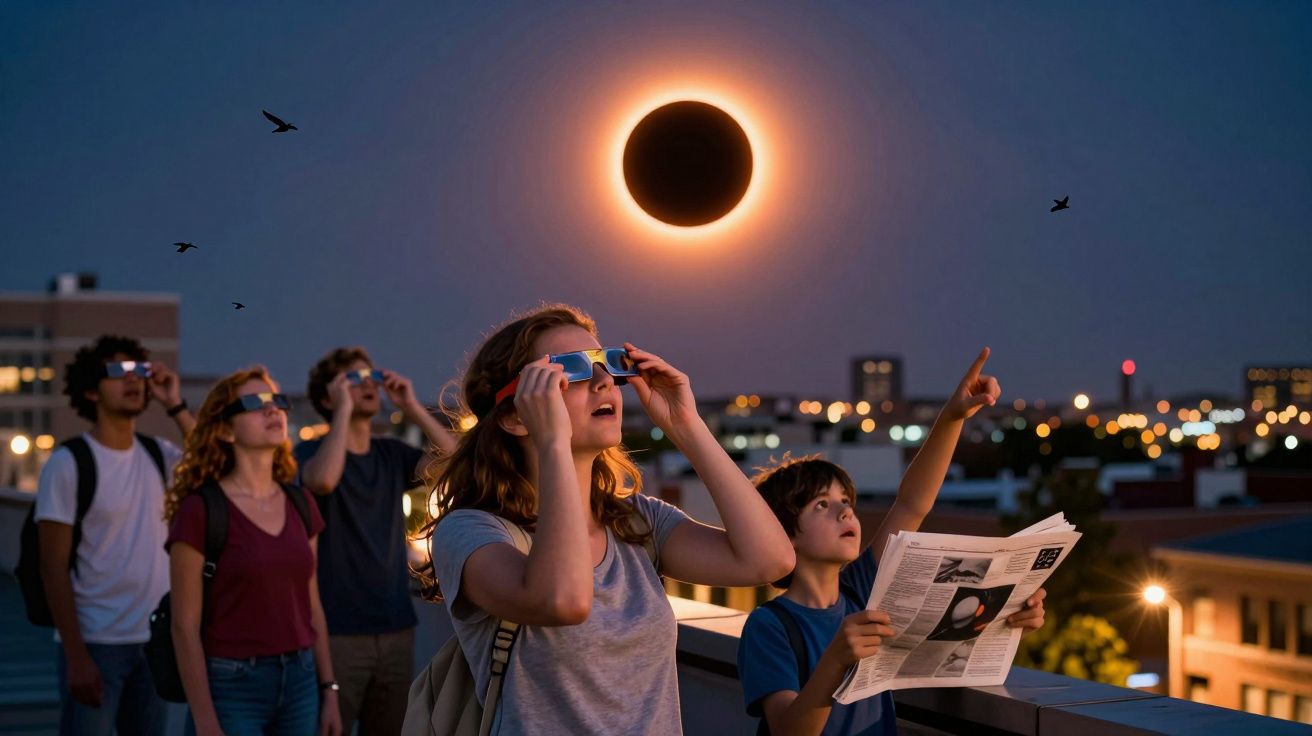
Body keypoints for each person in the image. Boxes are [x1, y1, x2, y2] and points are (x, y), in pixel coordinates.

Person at [417, 304, 795, 735]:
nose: (604, 382)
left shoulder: (636, 522)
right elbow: (563, 601)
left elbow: (771, 562)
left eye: (607, 364)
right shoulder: (472, 532)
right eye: (571, 371)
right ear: (514, 415)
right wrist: (553, 443)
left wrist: (686, 425)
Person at [737, 349, 1048, 736]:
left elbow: (912, 504)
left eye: (846, 502)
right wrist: (835, 661)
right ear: (785, 534)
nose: (845, 513)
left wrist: (1013, 614)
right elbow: (789, 730)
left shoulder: (864, 590)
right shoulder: (769, 626)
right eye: (822, 505)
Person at [164, 367, 342, 736]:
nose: (272, 410)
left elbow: (313, 608)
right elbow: (183, 627)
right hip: (231, 684)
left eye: (277, 401)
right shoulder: (201, 510)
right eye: (254, 403)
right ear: (226, 430)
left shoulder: (301, 503)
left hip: (301, 681)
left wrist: (330, 691)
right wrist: (204, 719)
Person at [34, 335, 194, 736]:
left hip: (155, 640)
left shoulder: (160, 454)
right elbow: (51, 566)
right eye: (117, 372)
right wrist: (76, 656)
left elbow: (218, 465)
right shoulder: (69, 463)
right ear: (90, 390)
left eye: (139, 371)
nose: (134, 380)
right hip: (97, 644)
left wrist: (173, 403)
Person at [295, 348, 456, 736]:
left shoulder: (391, 454)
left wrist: (413, 406)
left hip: (396, 627)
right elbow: (323, 482)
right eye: (352, 379)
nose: (367, 385)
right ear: (325, 397)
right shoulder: (309, 453)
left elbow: (458, 463)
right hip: (335, 632)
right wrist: (343, 412)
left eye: (370, 378)